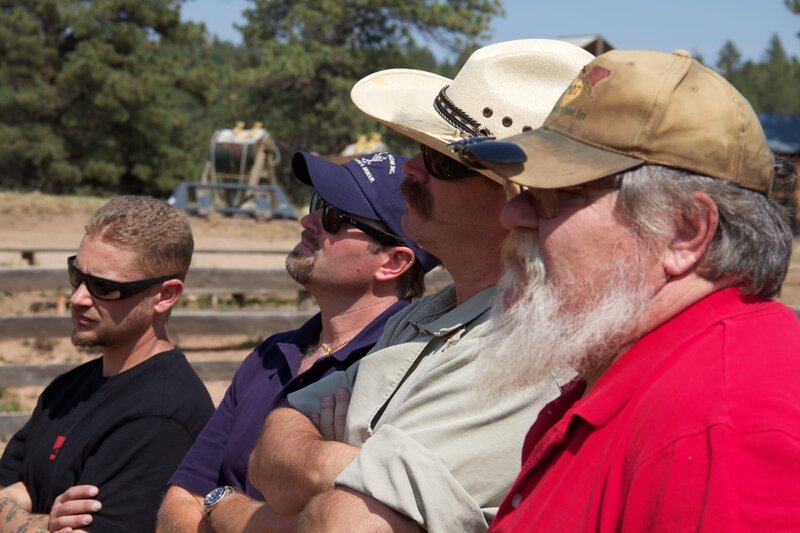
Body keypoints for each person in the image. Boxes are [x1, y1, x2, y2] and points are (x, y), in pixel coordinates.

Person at [247, 39, 594, 532]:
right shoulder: (421, 315)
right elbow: (271, 455)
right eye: (421, 149)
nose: (409, 167)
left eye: (445, 161)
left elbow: (348, 521)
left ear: (523, 203)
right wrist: (354, 462)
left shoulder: (531, 351)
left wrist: (242, 501)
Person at [452, 49, 800, 531]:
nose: (512, 214)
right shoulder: (640, 373)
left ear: (684, 231)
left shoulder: (721, 427)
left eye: (556, 193)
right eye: (520, 191)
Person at [156, 151, 439, 532]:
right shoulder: (271, 354)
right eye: (318, 203)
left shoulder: (406, 369)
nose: (308, 220)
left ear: (393, 262)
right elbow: (182, 499)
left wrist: (221, 503)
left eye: (335, 217)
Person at [0, 196, 214, 532]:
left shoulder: (161, 416)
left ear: (165, 295)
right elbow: (10, 490)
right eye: (77, 274)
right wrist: (43, 523)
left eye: (104, 287)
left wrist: (24, 517)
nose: (78, 298)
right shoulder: (66, 390)